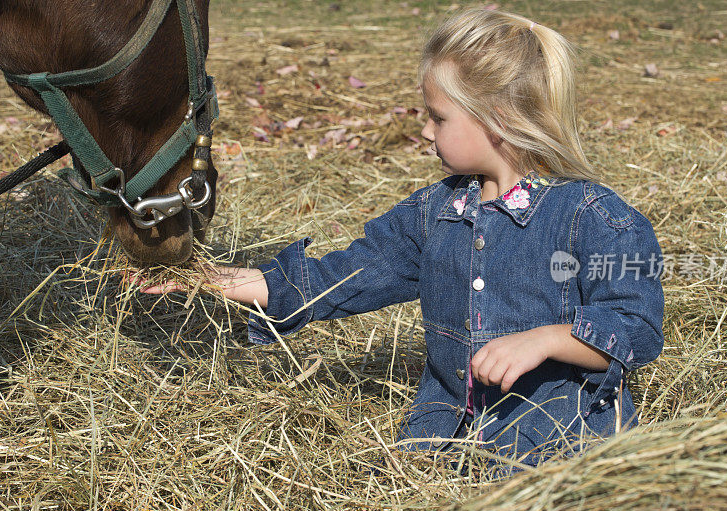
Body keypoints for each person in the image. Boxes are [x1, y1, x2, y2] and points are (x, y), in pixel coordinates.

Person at [138, 8, 664, 470]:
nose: (426, 132)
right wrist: (235, 282)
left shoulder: (593, 216)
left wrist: (547, 338)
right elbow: (344, 276)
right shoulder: (435, 213)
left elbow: (638, 329)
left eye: (438, 117)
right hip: (440, 448)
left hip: (559, 450)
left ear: (499, 121)